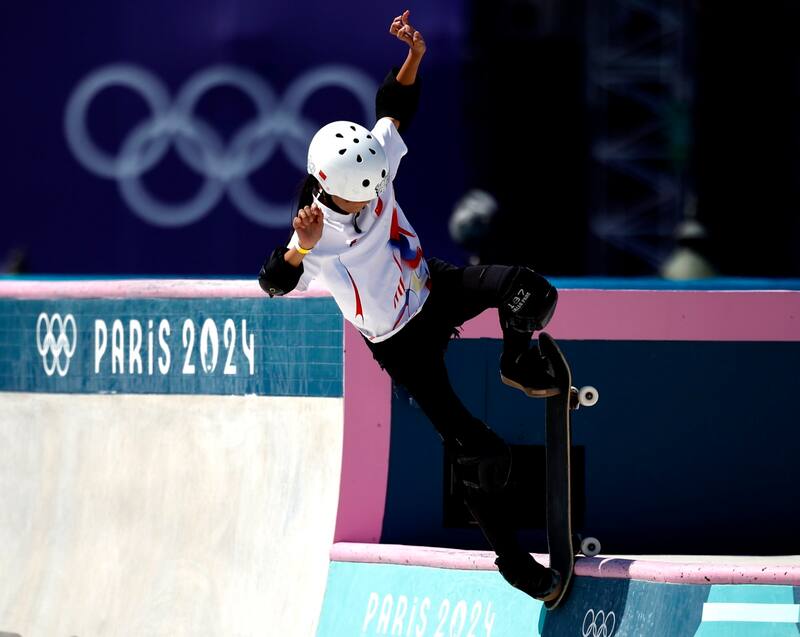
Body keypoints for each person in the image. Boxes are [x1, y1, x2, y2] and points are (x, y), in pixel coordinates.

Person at [259, 9, 562, 602]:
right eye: (363, 192)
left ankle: (516, 362)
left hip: (436, 286)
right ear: (327, 183)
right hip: (402, 345)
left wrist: (414, 56)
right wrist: (299, 251)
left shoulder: (369, 163)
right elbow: (272, 282)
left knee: (530, 290)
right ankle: (517, 564)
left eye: (377, 184)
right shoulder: (314, 233)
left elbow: (393, 111)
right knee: (482, 455)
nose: (374, 196)